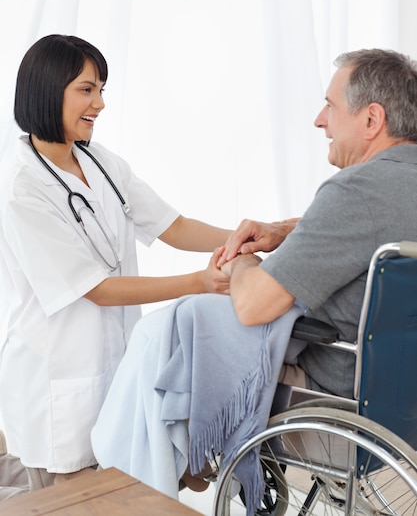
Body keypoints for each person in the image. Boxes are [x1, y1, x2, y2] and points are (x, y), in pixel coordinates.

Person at [90, 48, 417, 510]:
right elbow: (367, 226)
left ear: (371, 119)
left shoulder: (355, 191)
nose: (320, 120)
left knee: (172, 333)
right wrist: (284, 230)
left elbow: (253, 305)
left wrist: (242, 261)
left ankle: (141, 485)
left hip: (338, 403)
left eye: (330, 105)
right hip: (404, 404)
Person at [0, 34, 233, 494]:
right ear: (49, 90)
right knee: (66, 499)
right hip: (56, 381)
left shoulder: (101, 162)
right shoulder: (22, 187)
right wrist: (201, 282)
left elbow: (174, 224)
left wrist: (246, 236)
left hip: (114, 369)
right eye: (87, 89)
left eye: (102, 89)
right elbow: (96, 288)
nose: (100, 103)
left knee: (115, 490)